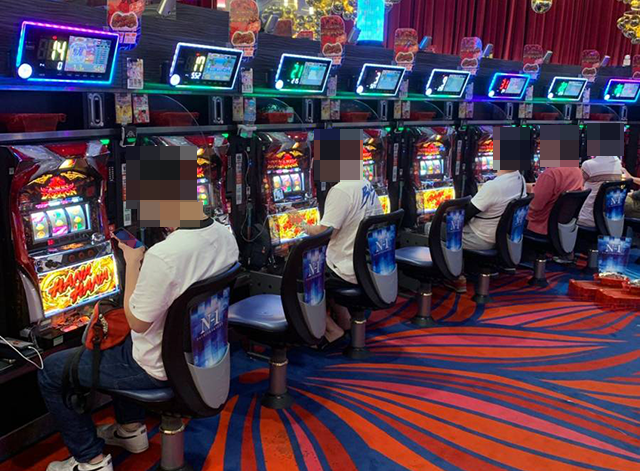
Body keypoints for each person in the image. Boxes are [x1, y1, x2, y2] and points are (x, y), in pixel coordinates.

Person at [40, 146, 239, 471]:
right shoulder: (224, 235)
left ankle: (90, 460)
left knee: (50, 371)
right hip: (202, 355)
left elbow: (137, 321)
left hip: (156, 368)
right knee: (116, 340)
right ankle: (131, 430)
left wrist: (133, 262)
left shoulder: (166, 254)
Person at [526, 166, 584, 236]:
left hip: (541, 226)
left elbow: (535, 206)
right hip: (561, 226)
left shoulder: (550, 174)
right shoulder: (577, 171)